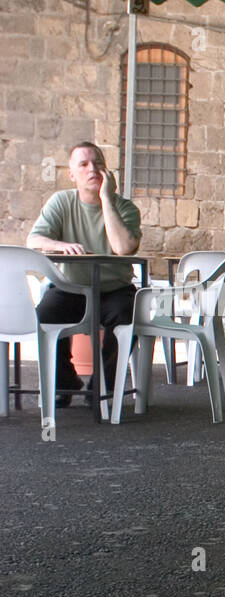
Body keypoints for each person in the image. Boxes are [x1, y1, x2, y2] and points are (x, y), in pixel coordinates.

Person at [26, 142, 142, 405]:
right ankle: (67, 383)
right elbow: (34, 240)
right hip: (71, 288)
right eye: (84, 164)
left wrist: (106, 200)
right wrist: (61, 245)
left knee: (127, 316)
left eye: (98, 162)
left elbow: (123, 248)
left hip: (114, 289)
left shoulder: (125, 208)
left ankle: (100, 390)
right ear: (72, 174)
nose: (92, 169)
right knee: (44, 316)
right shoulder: (61, 202)